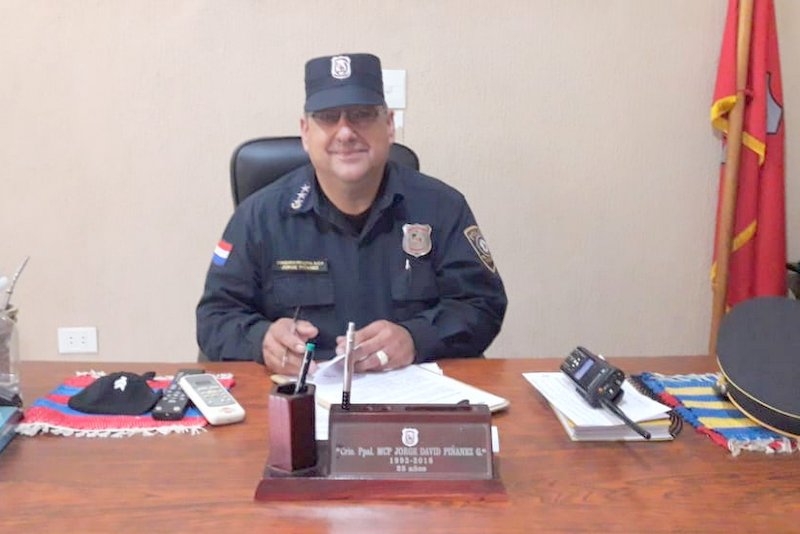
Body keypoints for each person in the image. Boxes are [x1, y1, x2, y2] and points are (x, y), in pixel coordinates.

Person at [196, 53, 507, 375]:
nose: (345, 133)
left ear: (389, 125)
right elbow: (215, 317)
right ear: (305, 132)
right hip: (300, 393)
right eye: (328, 117)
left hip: (410, 391)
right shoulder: (259, 217)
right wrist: (261, 340)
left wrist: (416, 337)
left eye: (362, 115)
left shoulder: (442, 207)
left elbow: (482, 305)